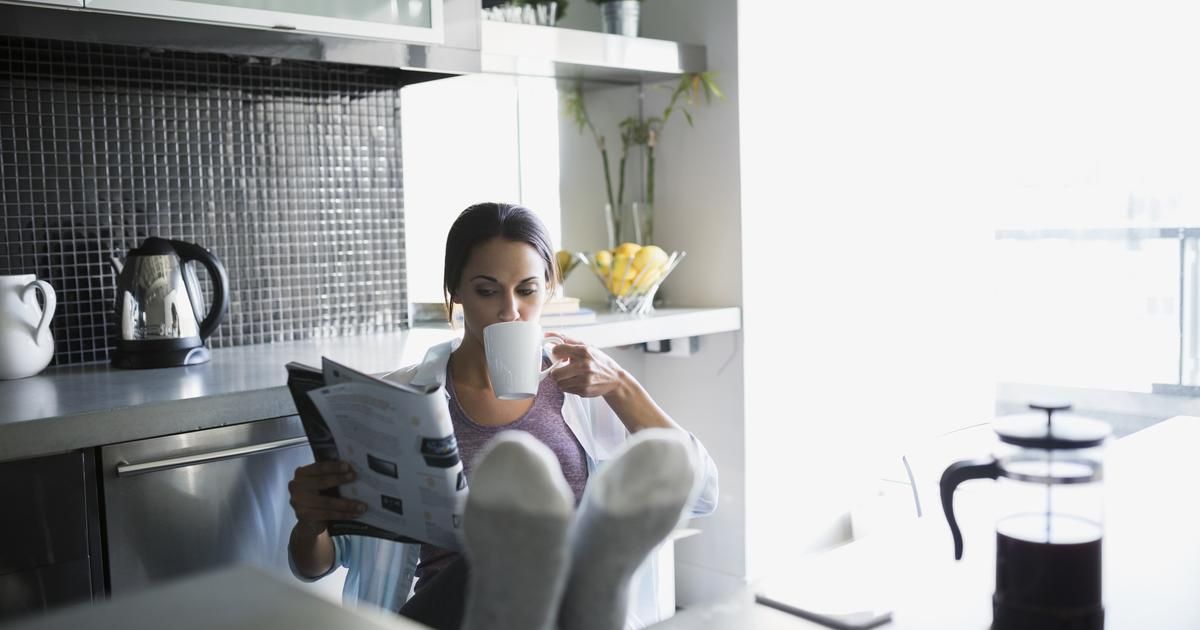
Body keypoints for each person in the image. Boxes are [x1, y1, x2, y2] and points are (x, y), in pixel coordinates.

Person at [287, 202, 719, 629]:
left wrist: (623, 387)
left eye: (527, 290)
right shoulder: (400, 401)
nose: (510, 311)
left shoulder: (585, 385)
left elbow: (701, 493)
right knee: (504, 547)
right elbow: (313, 565)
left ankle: (579, 570)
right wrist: (311, 523)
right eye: (487, 291)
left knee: (545, 560)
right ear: (455, 291)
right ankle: (581, 569)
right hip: (449, 613)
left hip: (563, 617)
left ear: (548, 287)